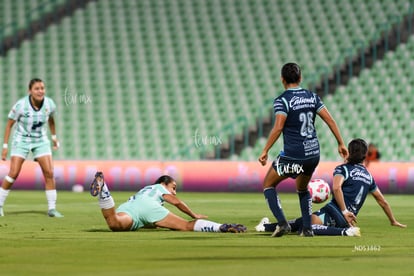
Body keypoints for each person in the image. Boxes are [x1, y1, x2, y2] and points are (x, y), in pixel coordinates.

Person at [258, 62, 348, 237]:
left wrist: (265, 150)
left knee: (268, 185)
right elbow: (330, 120)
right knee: (302, 189)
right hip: (313, 154)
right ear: (300, 78)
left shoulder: (282, 100)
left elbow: (278, 127)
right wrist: (341, 143)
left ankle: (283, 224)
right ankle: (307, 229)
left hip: (293, 155)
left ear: (282, 80)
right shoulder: (312, 97)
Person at [256, 138, 407, 236]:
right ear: (365, 155)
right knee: (303, 221)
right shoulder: (369, 176)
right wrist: (392, 220)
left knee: (307, 227)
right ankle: (266, 227)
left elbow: (336, 188)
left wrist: (344, 210)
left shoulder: (343, 169)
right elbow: (382, 201)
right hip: (349, 217)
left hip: (337, 212)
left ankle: (345, 232)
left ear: (349, 151)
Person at [90, 172, 246, 233]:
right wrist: (193, 214)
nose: (174, 191)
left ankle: (104, 189)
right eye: (173, 187)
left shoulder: (146, 188)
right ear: (165, 184)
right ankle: (222, 227)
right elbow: (176, 202)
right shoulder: (160, 187)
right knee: (186, 225)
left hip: (130, 205)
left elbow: (149, 219)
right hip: (148, 206)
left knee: (114, 223)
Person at [0, 78, 63, 217]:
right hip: (21, 140)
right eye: (37, 89)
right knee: (14, 173)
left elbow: (51, 119)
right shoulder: (21, 105)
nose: (40, 91)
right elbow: (9, 125)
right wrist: (5, 146)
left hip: (40, 140)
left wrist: (54, 137)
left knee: (49, 173)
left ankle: (52, 209)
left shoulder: (49, 103)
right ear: (30, 91)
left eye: (42, 88)